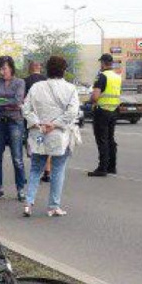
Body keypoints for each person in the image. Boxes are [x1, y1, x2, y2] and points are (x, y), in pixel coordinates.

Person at [22, 56, 80, 217]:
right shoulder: (70, 89)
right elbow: (72, 112)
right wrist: (54, 124)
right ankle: (53, 206)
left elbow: (26, 109)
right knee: (58, 170)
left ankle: (28, 202)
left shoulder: (36, 87)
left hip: (39, 133)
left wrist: (38, 124)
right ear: (64, 70)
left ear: (47, 69)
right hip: (58, 135)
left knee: (35, 168)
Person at [0, 56, 26, 202]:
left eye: (4, 68)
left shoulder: (20, 82)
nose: (2, 72)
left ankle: (21, 189)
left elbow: (18, 101)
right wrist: (5, 103)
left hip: (15, 122)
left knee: (17, 158)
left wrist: (0, 103)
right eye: (0, 69)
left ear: (11, 67)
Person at [88, 53, 121, 177]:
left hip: (102, 111)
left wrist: (90, 100)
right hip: (113, 110)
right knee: (110, 139)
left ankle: (102, 168)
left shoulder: (101, 76)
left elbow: (95, 96)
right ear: (111, 63)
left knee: (102, 140)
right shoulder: (117, 76)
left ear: (102, 63)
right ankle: (112, 166)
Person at [24, 60, 52, 183]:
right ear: (39, 67)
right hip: (47, 117)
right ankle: (47, 170)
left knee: (36, 143)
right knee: (45, 143)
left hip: (34, 119)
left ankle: (37, 169)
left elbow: (24, 101)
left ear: (30, 68)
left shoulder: (25, 81)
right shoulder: (47, 81)